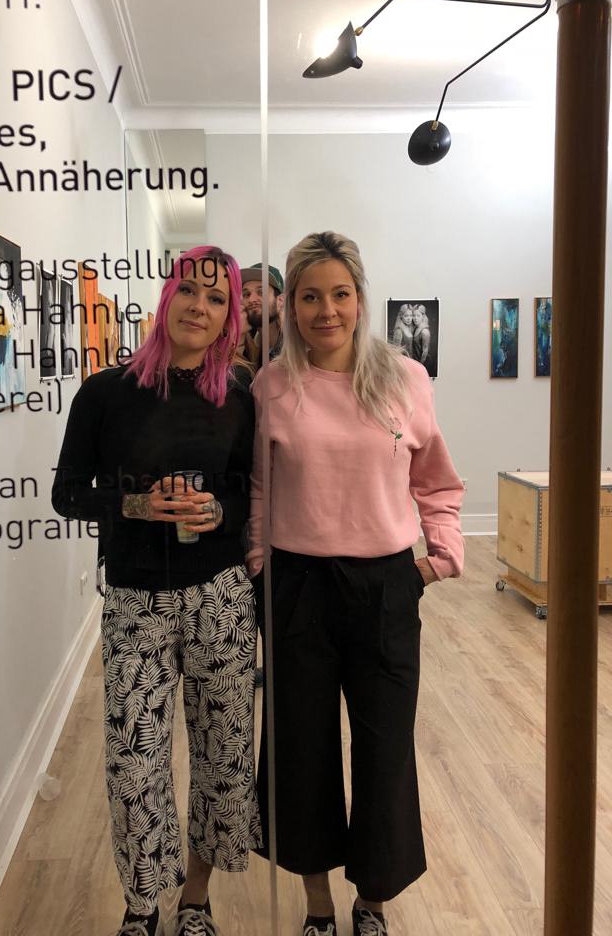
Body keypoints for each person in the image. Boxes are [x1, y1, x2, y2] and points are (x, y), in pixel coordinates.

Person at [247, 232, 464, 936]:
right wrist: (259, 566)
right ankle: (318, 907)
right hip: (297, 587)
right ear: (290, 305)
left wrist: (440, 558)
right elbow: (259, 491)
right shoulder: (271, 385)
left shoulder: (406, 379)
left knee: (384, 749)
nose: (326, 311)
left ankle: (371, 904)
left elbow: (436, 481)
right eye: (310, 296)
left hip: (385, 586)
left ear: (361, 298)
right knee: (301, 750)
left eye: (340, 294)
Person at [52, 246, 260, 936]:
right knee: (134, 763)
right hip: (135, 601)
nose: (201, 306)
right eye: (190, 290)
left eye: (217, 297)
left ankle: (195, 899)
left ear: (230, 316)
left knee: (224, 754)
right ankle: (142, 907)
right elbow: (66, 494)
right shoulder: (104, 393)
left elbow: (245, 493)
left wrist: (218, 511)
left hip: (221, 598)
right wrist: (138, 505)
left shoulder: (239, 399)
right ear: (168, 296)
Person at [240, 262, 284, 367]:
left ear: (280, 301)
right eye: (246, 294)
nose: (251, 299)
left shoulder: (297, 347)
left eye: (261, 292)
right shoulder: (249, 349)